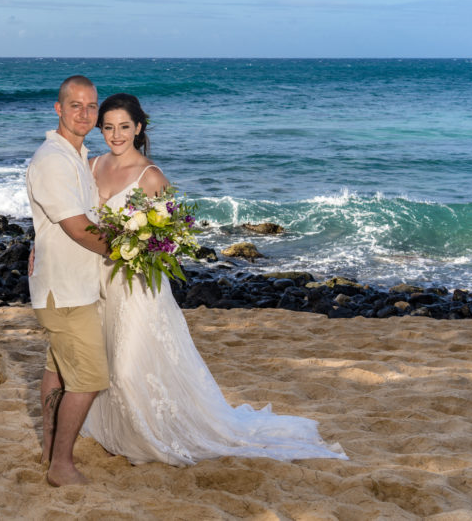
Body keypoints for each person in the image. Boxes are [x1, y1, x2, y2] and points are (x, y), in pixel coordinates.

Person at [81, 93, 347, 465]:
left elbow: (168, 240)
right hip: (95, 280)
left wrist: (141, 245)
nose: (116, 134)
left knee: (127, 368)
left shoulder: (151, 176)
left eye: (124, 126)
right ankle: (115, 432)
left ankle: (151, 434)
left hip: (136, 286)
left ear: (138, 128)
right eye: (108, 127)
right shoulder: (91, 166)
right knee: (106, 363)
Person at [25, 75, 110, 486]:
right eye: (76, 105)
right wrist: (128, 252)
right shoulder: (53, 160)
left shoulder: (76, 154)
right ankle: (61, 464)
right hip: (66, 291)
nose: (85, 114)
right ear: (58, 109)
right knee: (90, 379)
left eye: (91, 106)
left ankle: (48, 450)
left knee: (57, 369)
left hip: (70, 284)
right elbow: (79, 228)